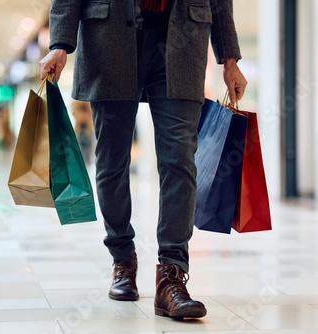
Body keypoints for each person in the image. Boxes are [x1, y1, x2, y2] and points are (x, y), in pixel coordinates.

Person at [40, 0, 247, 319]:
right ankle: (122, 259)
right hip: (108, 41)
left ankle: (171, 275)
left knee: (180, 160)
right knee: (111, 163)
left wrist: (229, 59)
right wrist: (59, 45)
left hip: (182, 41)